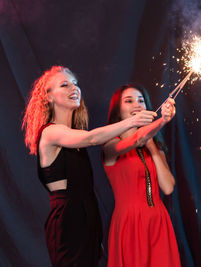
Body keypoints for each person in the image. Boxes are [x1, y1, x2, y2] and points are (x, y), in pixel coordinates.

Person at [22, 66, 156, 266]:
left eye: (75, 83)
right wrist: (133, 121)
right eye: (64, 84)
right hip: (68, 224)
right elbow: (93, 138)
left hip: (88, 222)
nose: (73, 88)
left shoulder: (74, 136)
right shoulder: (50, 133)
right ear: (48, 97)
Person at [102, 83, 181, 267]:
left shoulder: (154, 146)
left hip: (158, 221)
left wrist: (152, 144)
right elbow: (134, 140)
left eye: (141, 100)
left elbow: (168, 187)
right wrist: (162, 121)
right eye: (128, 101)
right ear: (118, 110)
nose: (137, 105)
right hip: (130, 224)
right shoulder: (110, 146)